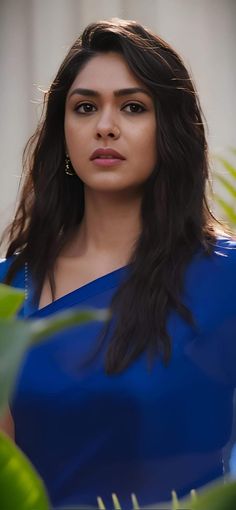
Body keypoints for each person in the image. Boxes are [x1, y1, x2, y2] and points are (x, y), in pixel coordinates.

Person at [0, 16, 236, 510]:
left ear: (168, 127)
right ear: (63, 132)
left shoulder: (225, 278)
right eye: (85, 107)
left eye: (132, 107)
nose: (105, 126)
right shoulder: (8, 285)